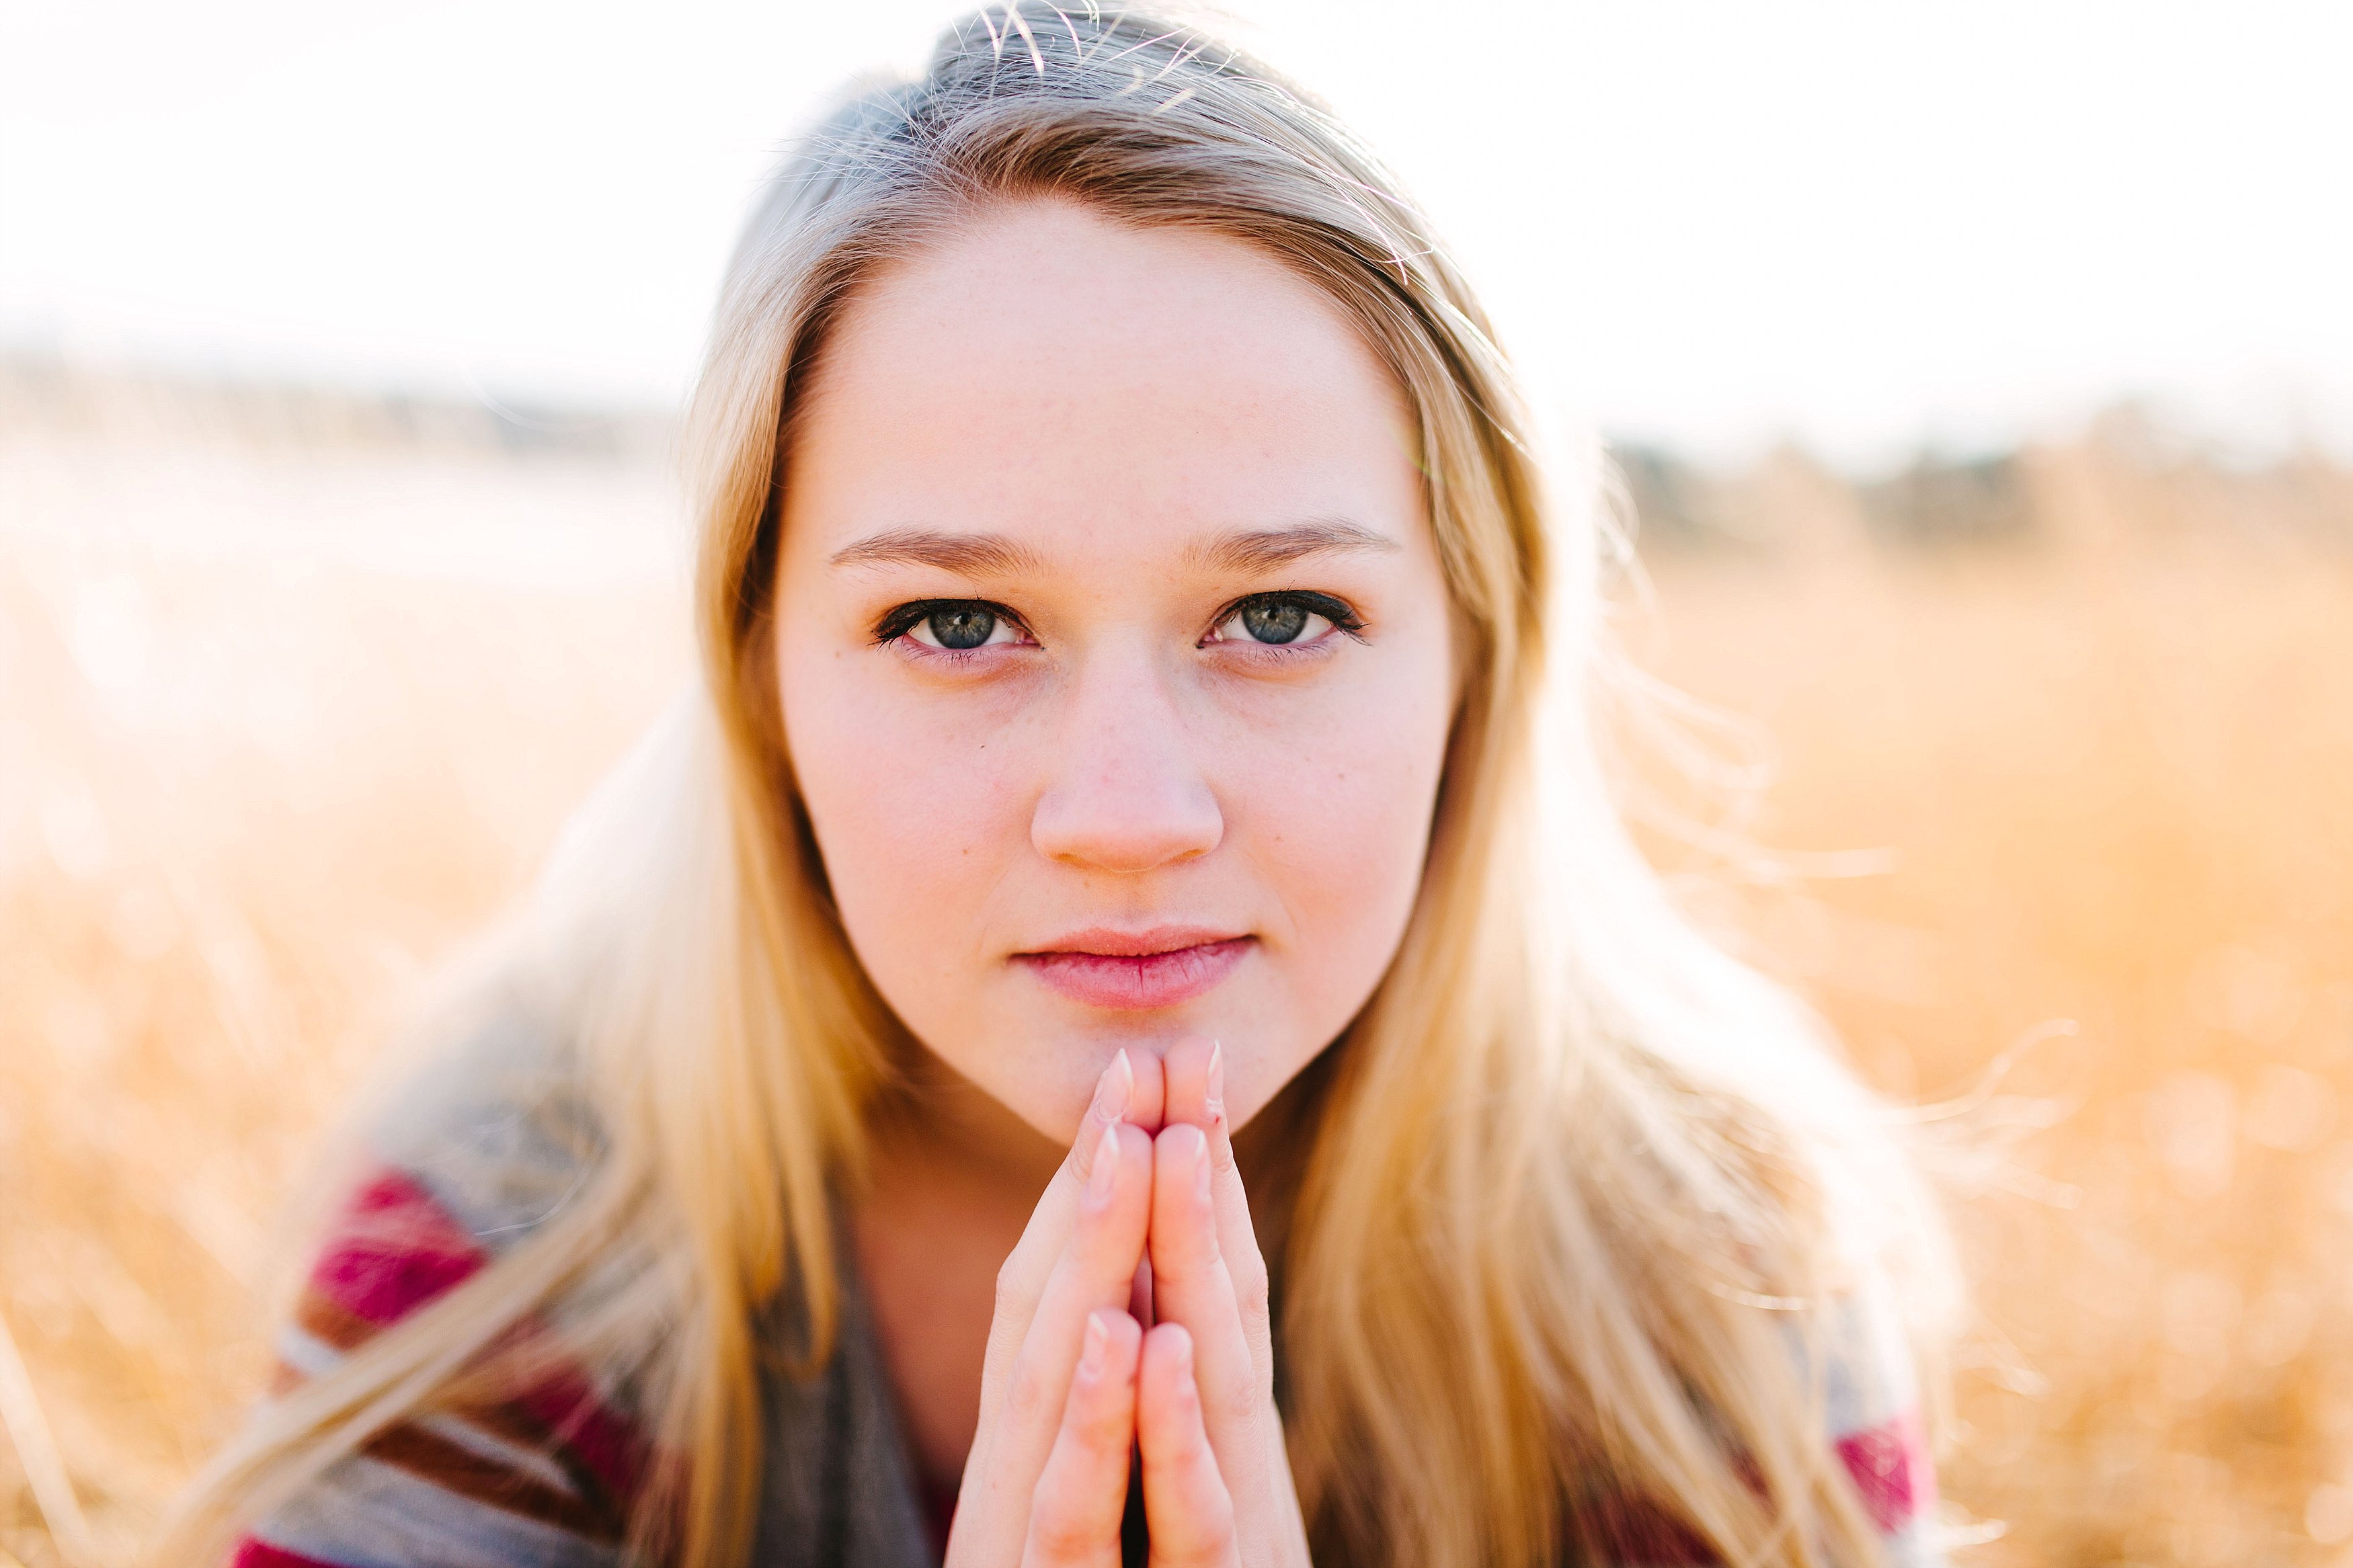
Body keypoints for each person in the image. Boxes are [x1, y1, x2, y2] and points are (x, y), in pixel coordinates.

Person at [166, 7, 1956, 1566]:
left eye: (1279, 612)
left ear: (1475, 665)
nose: (1125, 813)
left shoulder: (1701, 1272)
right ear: (758, 677)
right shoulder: (520, 1228)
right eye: (956, 621)